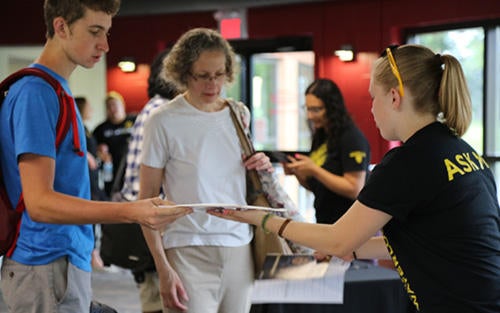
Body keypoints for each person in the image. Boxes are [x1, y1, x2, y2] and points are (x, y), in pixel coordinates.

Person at [209, 44, 500, 313]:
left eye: (373, 97)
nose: (371, 109)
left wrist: (260, 219)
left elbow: (336, 239)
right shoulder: (462, 152)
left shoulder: (410, 161)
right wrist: (352, 248)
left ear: (395, 97)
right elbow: (427, 239)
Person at [0, 1, 191, 312]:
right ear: (61, 27)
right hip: (43, 264)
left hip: (59, 262)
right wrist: (132, 211)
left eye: (107, 32)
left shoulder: (56, 90)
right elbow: (40, 203)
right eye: (94, 31)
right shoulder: (36, 92)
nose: (105, 44)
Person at [139, 28, 273, 313]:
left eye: (219, 74)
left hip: (239, 244)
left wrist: (261, 164)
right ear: (185, 73)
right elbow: (146, 201)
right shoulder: (162, 121)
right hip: (187, 246)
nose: (213, 84)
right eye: (203, 75)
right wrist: (162, 268)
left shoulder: (239, 113)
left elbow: (242, 176)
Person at [119, 48, 179, 313]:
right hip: (154, 228)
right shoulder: (162, 113)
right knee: (158, 301)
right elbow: (147, 188)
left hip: (149, 225)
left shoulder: (151, 109)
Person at [284, 78, 370, 225]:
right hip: (325, 222)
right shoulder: (322, 136)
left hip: (349, 226)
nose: (310, 116)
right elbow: (318, 188)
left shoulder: (351, 137)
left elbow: (355, 188)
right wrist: (298, 173)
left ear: (332, 107)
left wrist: (314, 170)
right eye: (307, 108)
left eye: (316, 109)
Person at [76, 96, 107, 269]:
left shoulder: (87, 129)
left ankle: (95, 252)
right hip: (86, 178)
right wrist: (86, 155)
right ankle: (92, 253)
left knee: (96, 212)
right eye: (89, 107)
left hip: (93, 176)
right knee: (91, 214)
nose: (92, 110)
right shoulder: (77, 127)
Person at [93, 90, 136, 198]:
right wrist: (99, 153)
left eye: (115, 105)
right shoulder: (101, 129)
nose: (113, 109)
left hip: (134, 169)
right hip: (112, 173)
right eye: (109, 106)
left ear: (122, 105)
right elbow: (93, 149)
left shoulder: (135, 120)